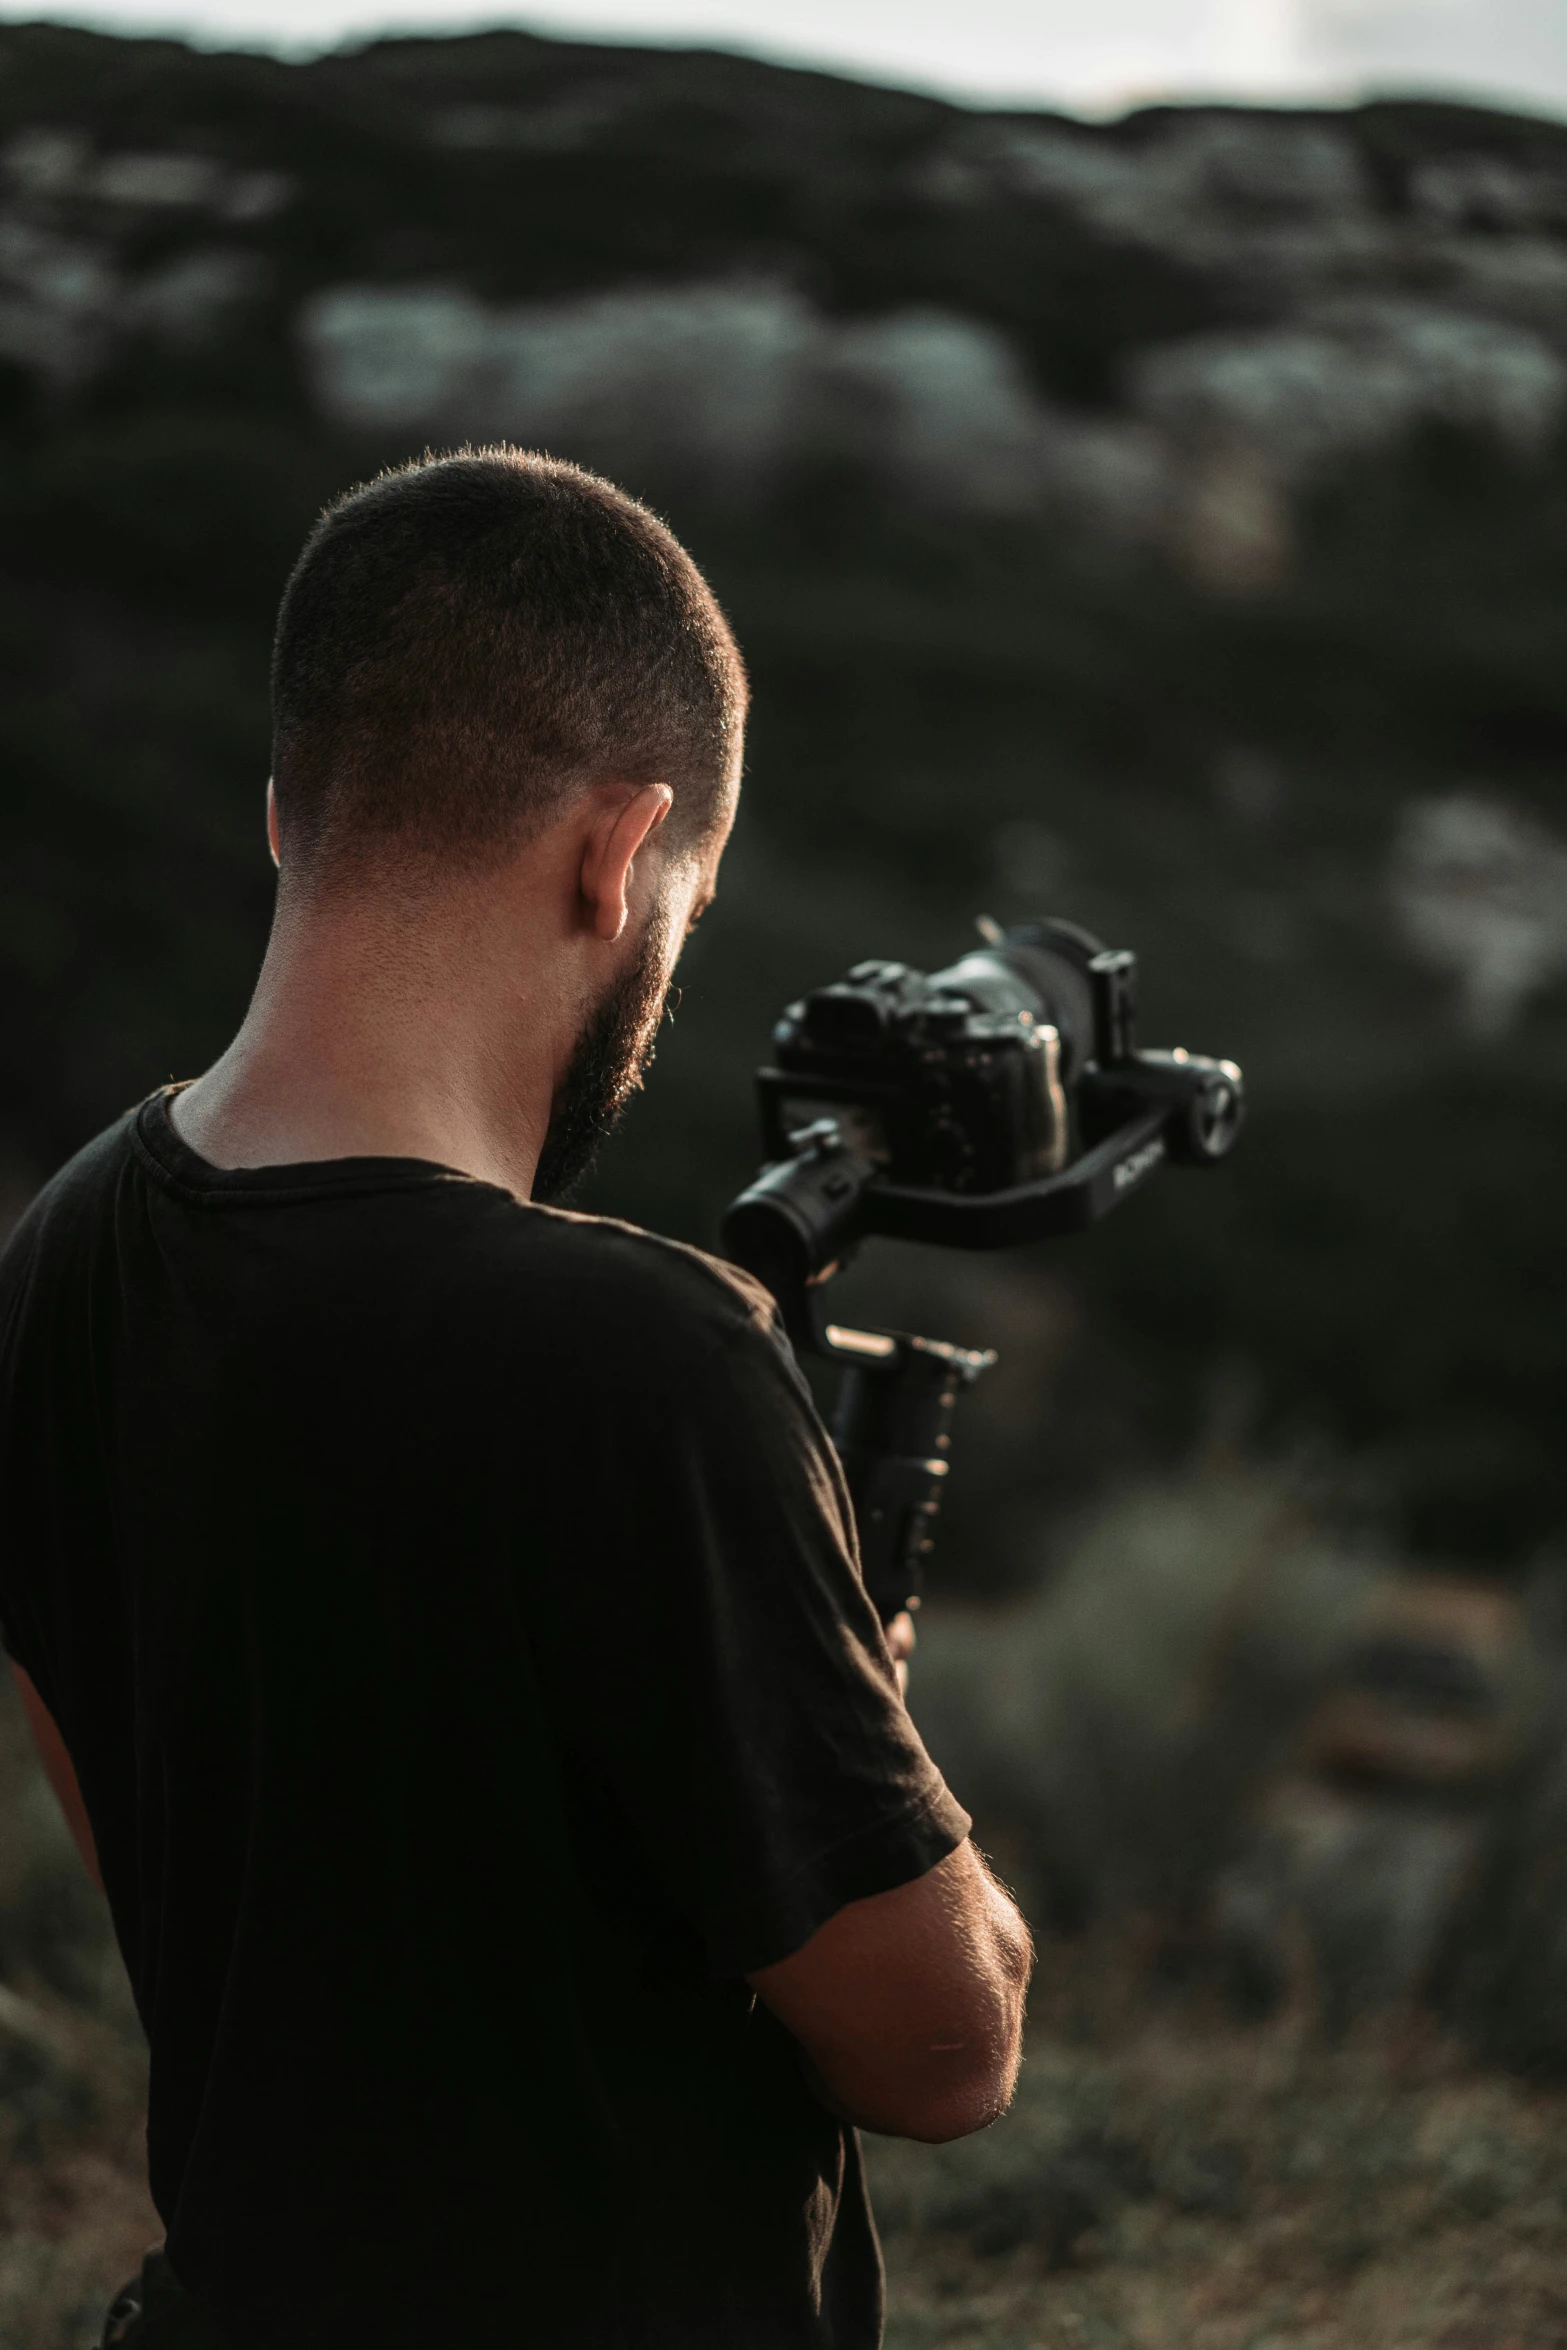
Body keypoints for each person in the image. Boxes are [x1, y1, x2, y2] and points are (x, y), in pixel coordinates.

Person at [0, 448, 1032, 2350]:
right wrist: (848, 1697)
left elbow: (175, 1841)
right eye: (690, 902)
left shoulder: (58, 1252)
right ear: (619, 848)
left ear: (285, 809)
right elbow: (943, 2051)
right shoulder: (644, 1357)